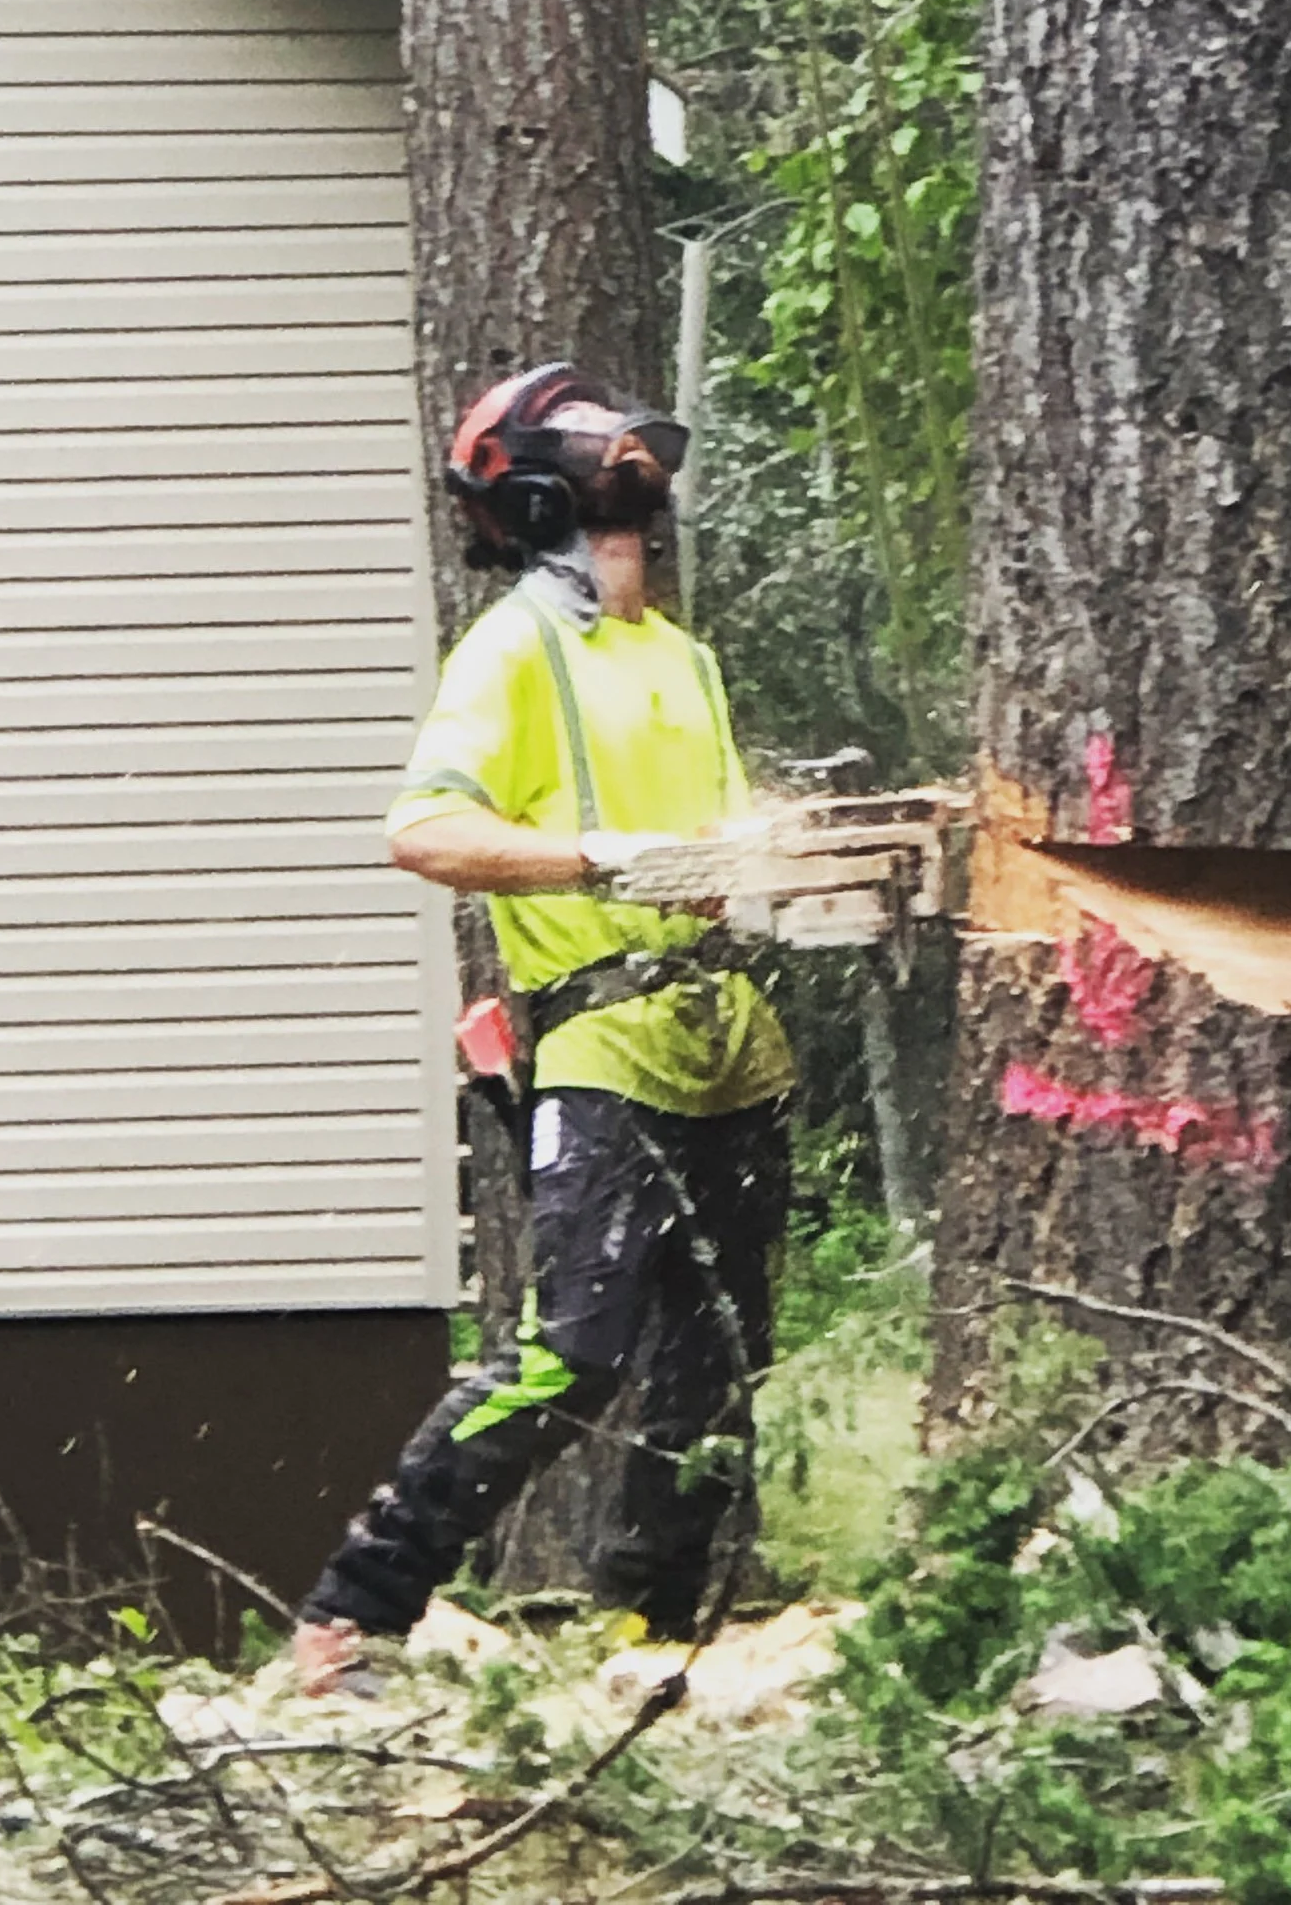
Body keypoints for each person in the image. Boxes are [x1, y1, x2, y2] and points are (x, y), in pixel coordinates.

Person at [293, 361, 794, 1694]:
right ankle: (356, 1614)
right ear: (528, 488)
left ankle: (656, 1637)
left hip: (732, 1039)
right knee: (571, 1353)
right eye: (586, 438)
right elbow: (424, 828)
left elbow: (734, 847)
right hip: (602, 1041)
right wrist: (591, 858)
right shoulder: (514, 645)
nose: (618, 449)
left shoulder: (682, 657)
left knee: (720, 1369)